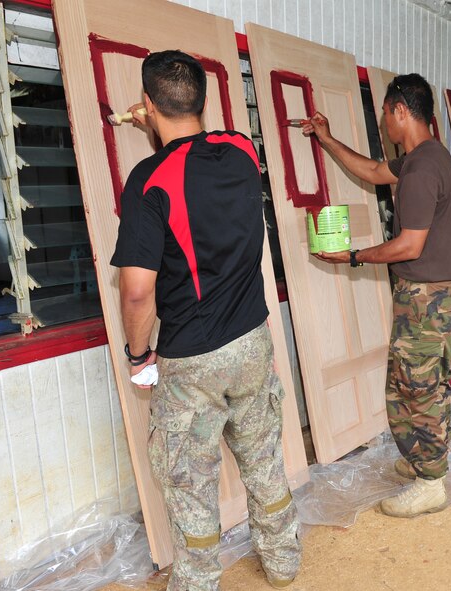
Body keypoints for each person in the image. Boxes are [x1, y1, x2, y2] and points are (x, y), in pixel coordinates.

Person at [110, 51, 300, 590]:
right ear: (204, 101)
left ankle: (197, 583)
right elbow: (196, 161)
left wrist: (140, 356)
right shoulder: (242, 149)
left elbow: (138, 290)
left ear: (147, 105)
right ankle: (284, 563)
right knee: (263, 459)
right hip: (253, 340)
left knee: (189, 482)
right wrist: (160, 126)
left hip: (193, 359)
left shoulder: (147, 182)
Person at [303, 73, 451, 518]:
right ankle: (421, 459)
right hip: (427, 297)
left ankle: (431, 482)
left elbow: (409, 245)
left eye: (384, 114)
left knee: (421, 391)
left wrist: (352, 255)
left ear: (399, 111)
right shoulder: (423, 157)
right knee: (407, 387)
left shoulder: (422, 168)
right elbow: (372, 170)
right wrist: (327, 138)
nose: (382, 124)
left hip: (429, 300)